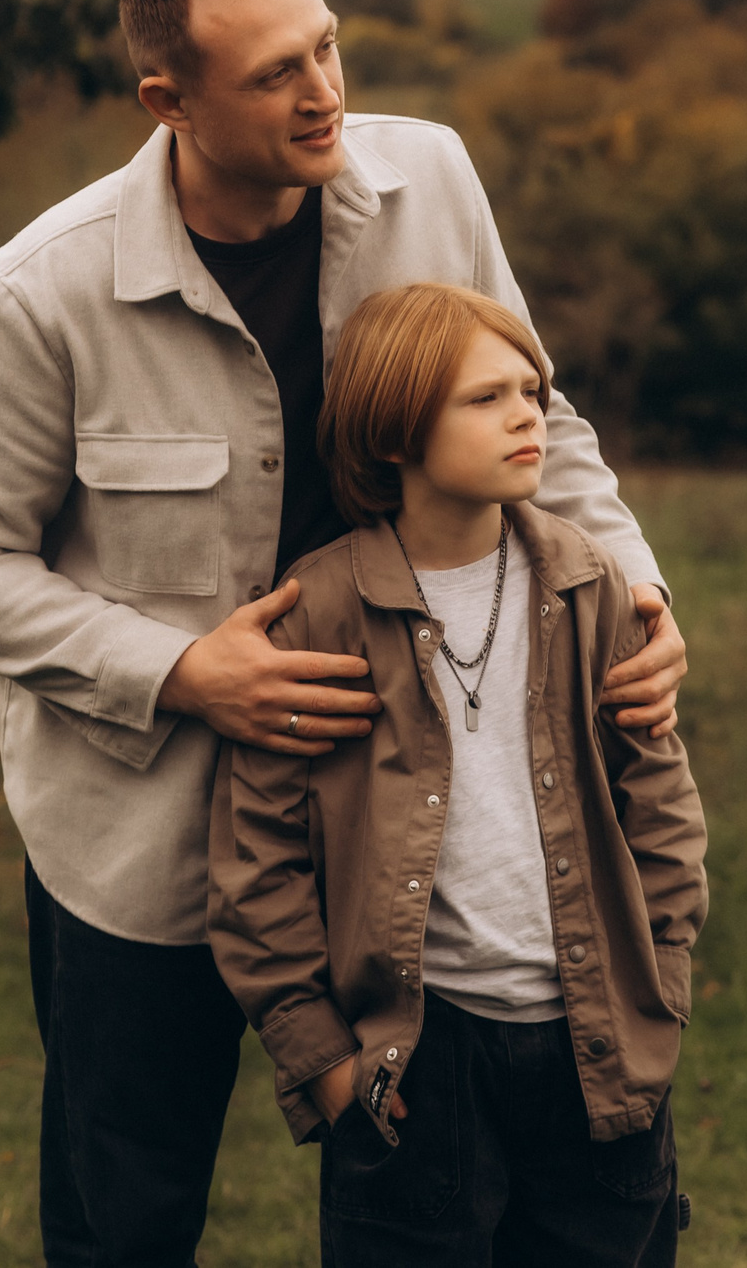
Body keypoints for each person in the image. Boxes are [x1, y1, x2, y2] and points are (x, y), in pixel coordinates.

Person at [0, 0, 688, 1268]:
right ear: (170, 101)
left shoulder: (430, 178)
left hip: (409, 817)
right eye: (275, 73)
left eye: (326, 46)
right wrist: (184, 670)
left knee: (435, 1199)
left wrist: (637, 594)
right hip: (140, 842)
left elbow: (537, 419)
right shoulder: (37, 292)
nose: (325, 91)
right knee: (124, 1219)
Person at [211, 283, 706, 1268]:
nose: (527, 414)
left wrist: (663, 993)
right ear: (394, 427)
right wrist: (326, 1063)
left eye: (533, 389)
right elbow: (255, 859)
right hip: (409, 1066)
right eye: (486, 398)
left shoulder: (593, 585)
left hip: (595, 1053)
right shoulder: (317, 611)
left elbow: (661, 810)